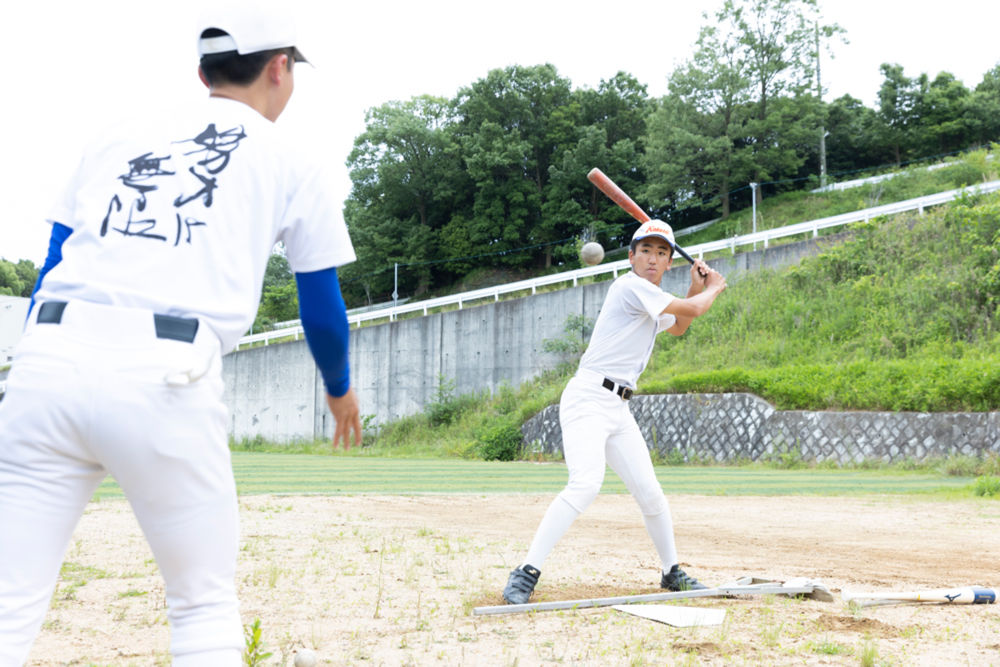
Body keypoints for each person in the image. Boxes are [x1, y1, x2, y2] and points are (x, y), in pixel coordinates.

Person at [0, 3, 360, 664]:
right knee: (201, 604)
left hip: (46, 359)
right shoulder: (290, 159)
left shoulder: (118, 134)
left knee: (7, 600)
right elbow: (320, 304)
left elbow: (53, 262)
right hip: (162, 374)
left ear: (203, 71)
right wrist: (339, 389)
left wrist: (34, 368)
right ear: (278, 69)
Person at [503, 220, 727, 605]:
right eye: (645, 251)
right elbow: (694, 309)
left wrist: (695, 287)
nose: (652, 259)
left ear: (669, 262)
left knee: (651, 494)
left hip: (618, 406)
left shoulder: (651, 298)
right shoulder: (629, 286)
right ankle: (526, 572)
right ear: (631, 257)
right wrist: (713, 288)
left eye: (661, 253)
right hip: (589, 396)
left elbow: (679, 325)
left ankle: (671, 571)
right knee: (586, 484)